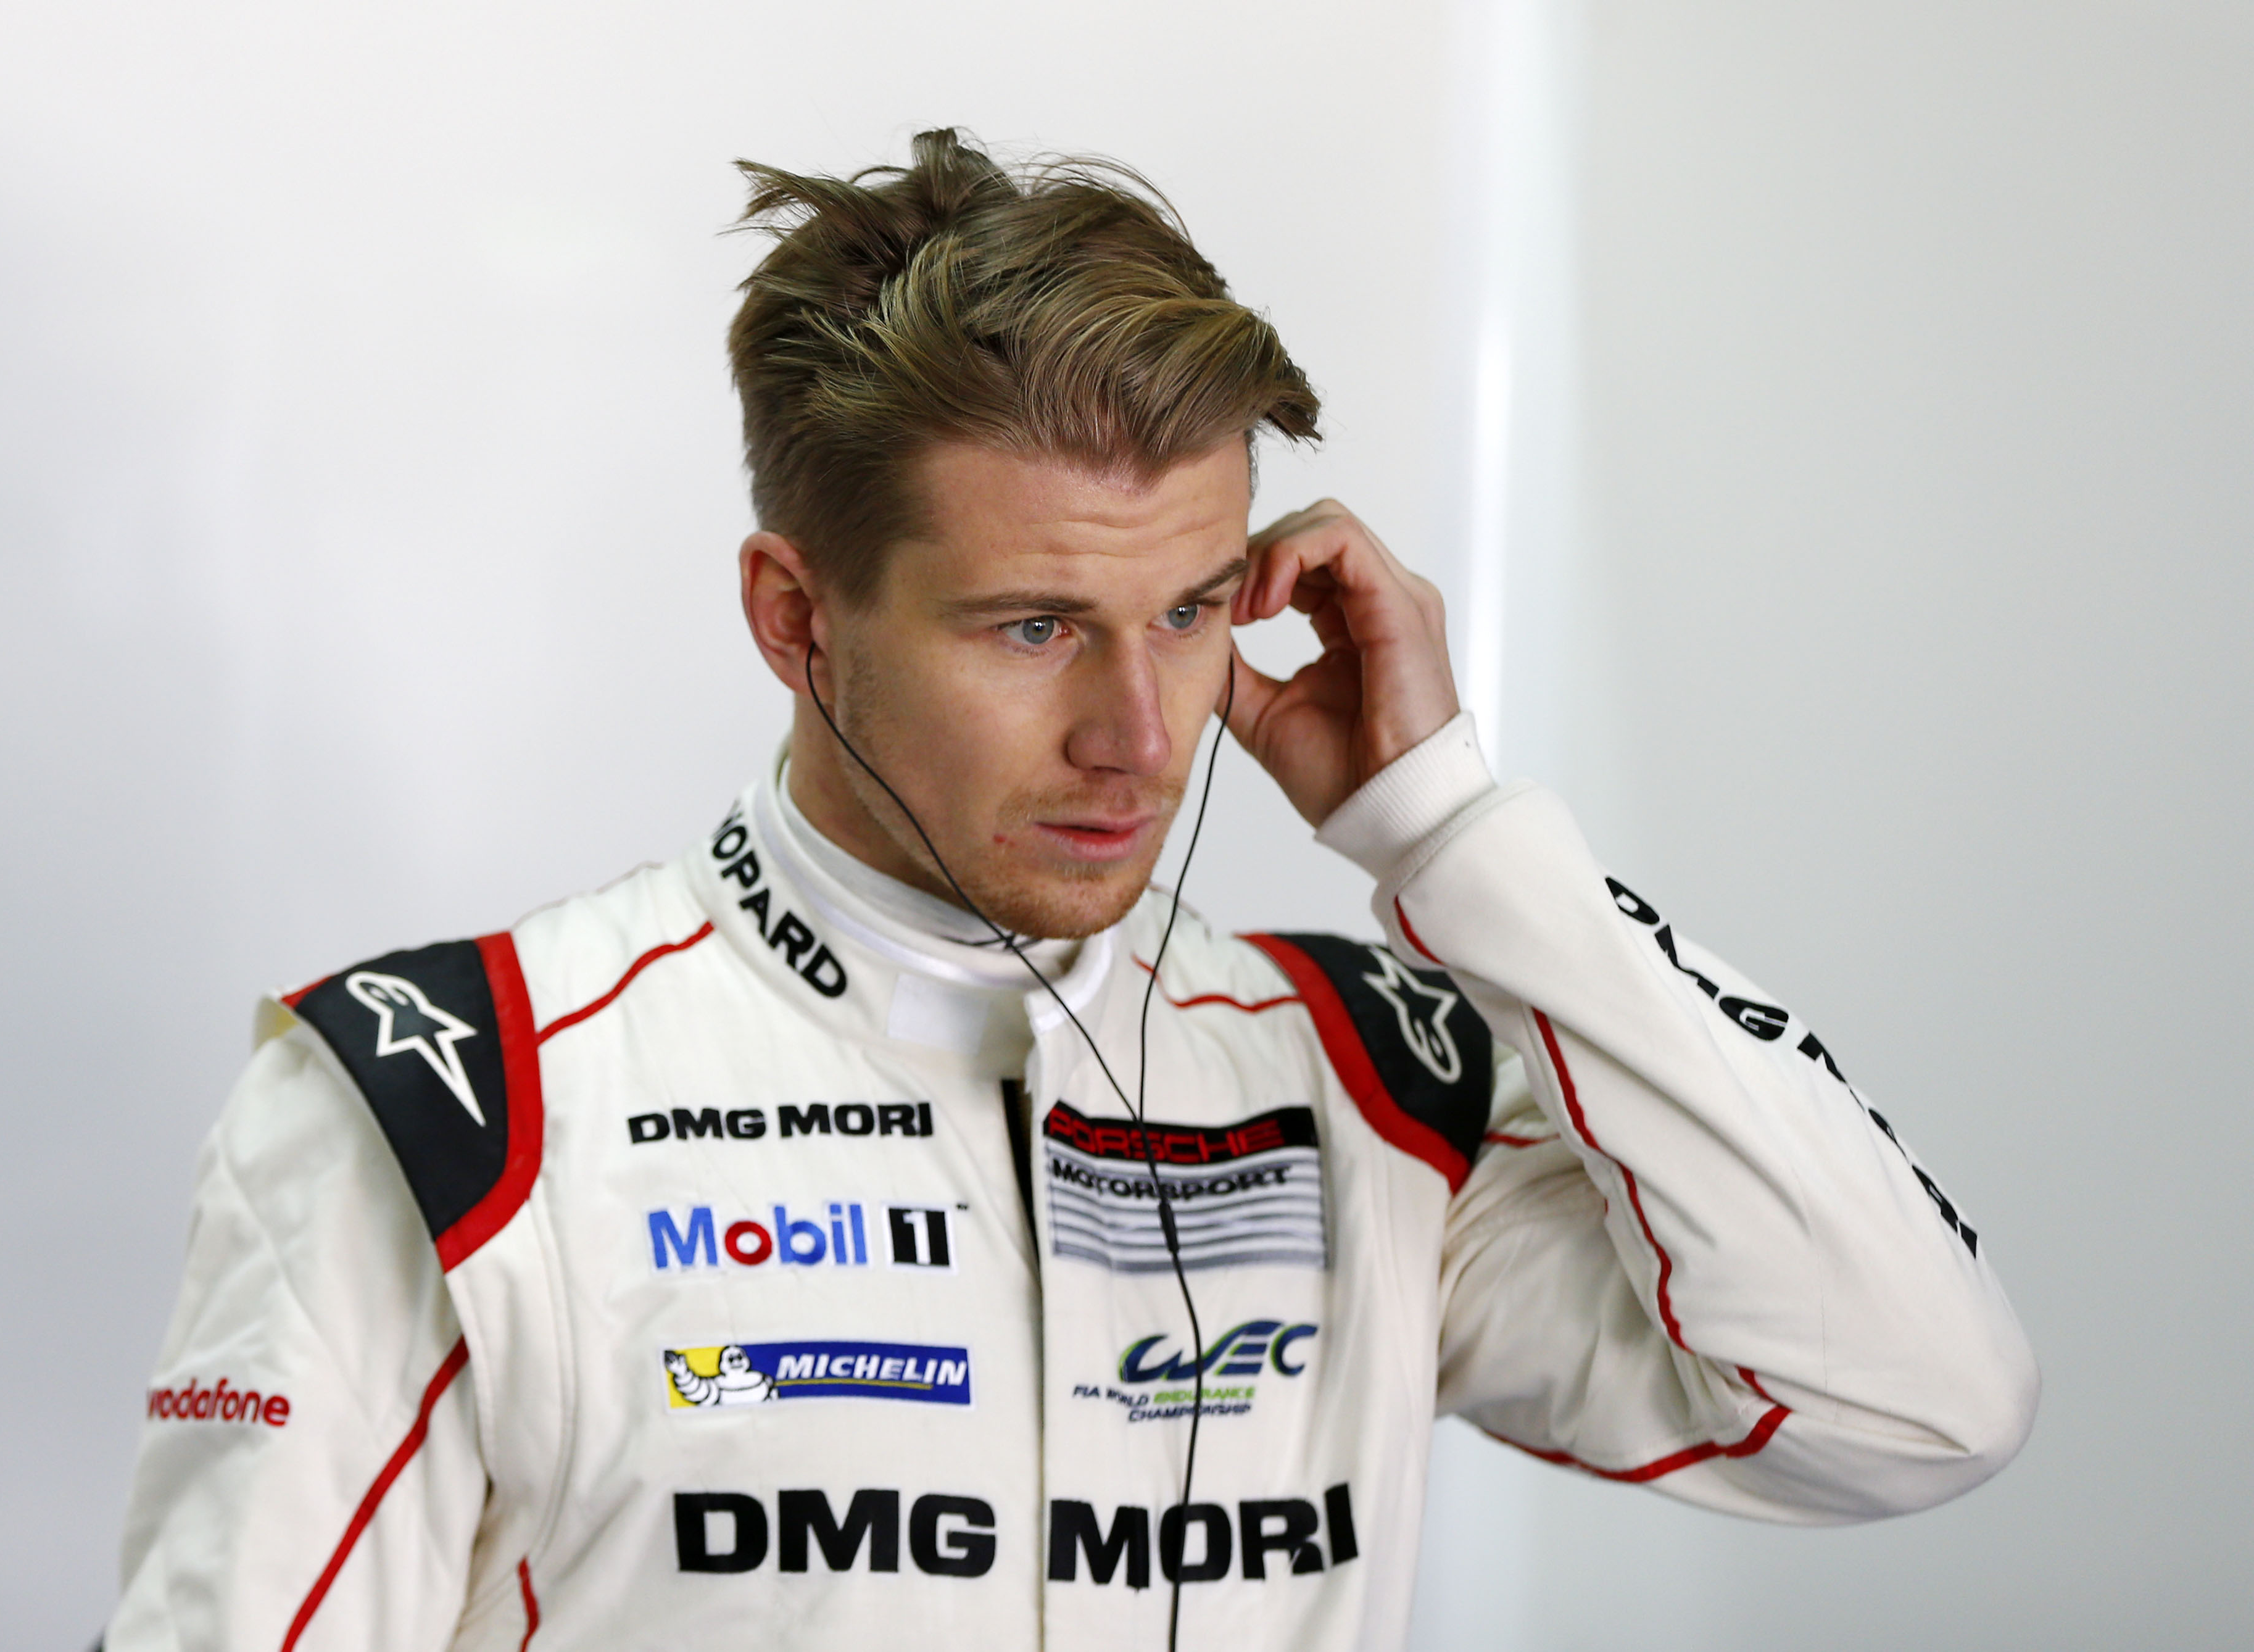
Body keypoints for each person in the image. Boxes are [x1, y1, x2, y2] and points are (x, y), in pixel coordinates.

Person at [104, 129, 2036, 1652]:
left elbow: (1916, 1409)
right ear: (797, 619)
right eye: (1033, 626)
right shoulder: (455, 1107)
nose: (1140, 732)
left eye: (1190, 612)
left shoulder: (1363, 1078)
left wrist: (1448, 831)